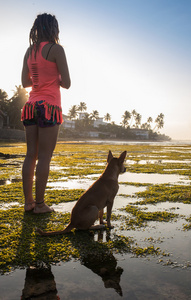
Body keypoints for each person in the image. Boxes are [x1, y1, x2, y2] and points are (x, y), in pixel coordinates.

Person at [21, 13, 71, 213]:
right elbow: (67, 83)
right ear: (53, 29)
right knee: (44, 157)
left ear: (36, 29)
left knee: (30, 155)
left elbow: (25, 82)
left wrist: (39, 78)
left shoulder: (29, 51)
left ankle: (28, 203)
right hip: (49, 107)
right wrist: (55, 78)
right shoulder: (56, 49)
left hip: (31, 105)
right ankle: (40, 205)